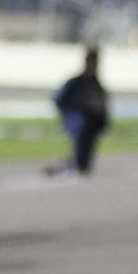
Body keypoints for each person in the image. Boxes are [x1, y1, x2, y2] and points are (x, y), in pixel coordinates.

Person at [46, 47, 109, 177]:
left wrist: (103, 121)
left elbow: (101, 106)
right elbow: (59, 99)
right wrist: (71, 115)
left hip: (91, 125)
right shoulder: (76, 82)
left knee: (84, 164)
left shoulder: (96, 84)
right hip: (79, 124)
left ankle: (62, 167)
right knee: (79, 160)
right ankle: (59, 168)